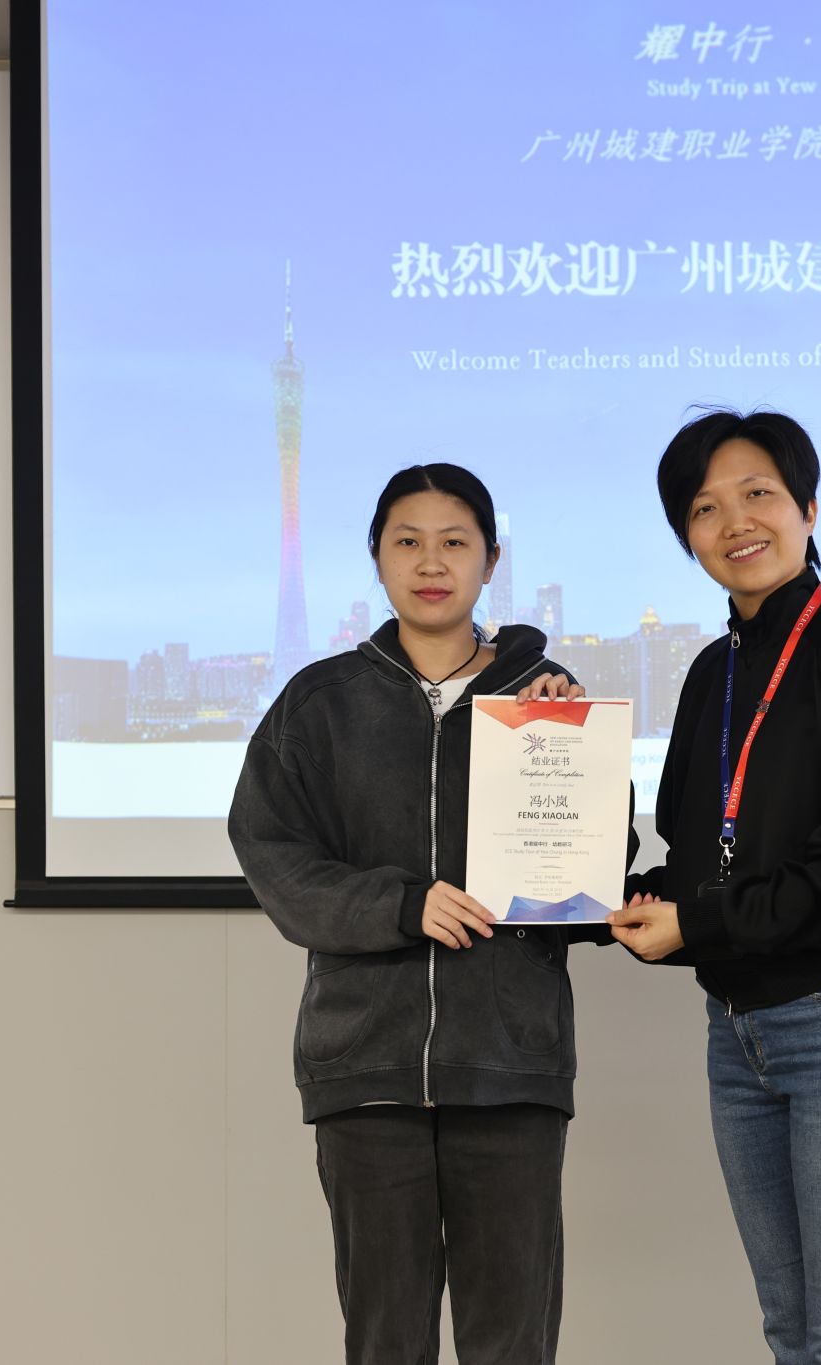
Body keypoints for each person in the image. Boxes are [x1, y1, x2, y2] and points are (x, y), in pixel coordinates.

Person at [605, 409, 821, 1365]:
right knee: (793, 1332)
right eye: (704, 508)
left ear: (808, 508)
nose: (734, 522)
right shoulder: (709, 675)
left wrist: (697, 921)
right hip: (739, 1032)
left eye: (757, 493)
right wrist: (585, 898)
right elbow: (699, 860)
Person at [229, 462, 600, 1365]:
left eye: (455, 542)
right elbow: (272, 854)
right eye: (408, 541)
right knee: (385, 1342)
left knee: (512, 1343)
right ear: (377, 557)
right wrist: (401, 903)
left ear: (490, 561)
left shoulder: (543, 699)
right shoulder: (319, 702)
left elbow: (593, 864)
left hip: (510, 1064)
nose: (431, 562)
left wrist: (572, 743)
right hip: (367, 1067)